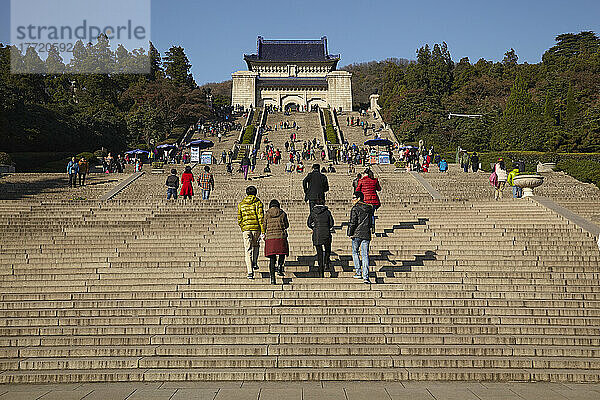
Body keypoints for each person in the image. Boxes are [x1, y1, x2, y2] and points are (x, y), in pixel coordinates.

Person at [238, 186, 264, 279]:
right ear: (256, 193)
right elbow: (261, 218)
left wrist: (243, 227)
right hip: (256, 228)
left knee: (247, 249)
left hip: (246, 229)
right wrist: (263, 231)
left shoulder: (241, 204)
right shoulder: (258, 203)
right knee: (256, 246)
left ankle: (250, 272)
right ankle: (255, 262)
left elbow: (239, 218)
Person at [348, 191, 373, 284]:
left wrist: (350, 232)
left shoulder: (355, 208)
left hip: (357, 233)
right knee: (365, 255)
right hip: (366, 233)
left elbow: (353, 222)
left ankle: (358, 272)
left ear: (359, 198)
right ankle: (366, 276)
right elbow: (371, 221)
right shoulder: (369, 208)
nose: (352, 199)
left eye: (354, 197)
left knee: (355, 252)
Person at [263, 199, 289, 284]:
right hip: (280, 236)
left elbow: (264, 226)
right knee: (282, 253)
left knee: (272, 259)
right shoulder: (282, 213)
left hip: (270, 238)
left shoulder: (267, 214)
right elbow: (287, 225)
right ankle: (280, 266)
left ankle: (273, 279)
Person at [307, 198, 334, 278]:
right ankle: (326, 262)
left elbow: (308, 223)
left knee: (319, 253)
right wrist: (327, 227)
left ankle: (321, 271)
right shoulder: (327, 212)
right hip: (326, 232)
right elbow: (331, 223)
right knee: (328, 249)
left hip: (317, 233)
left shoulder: (313, 212)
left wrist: (314, 227)